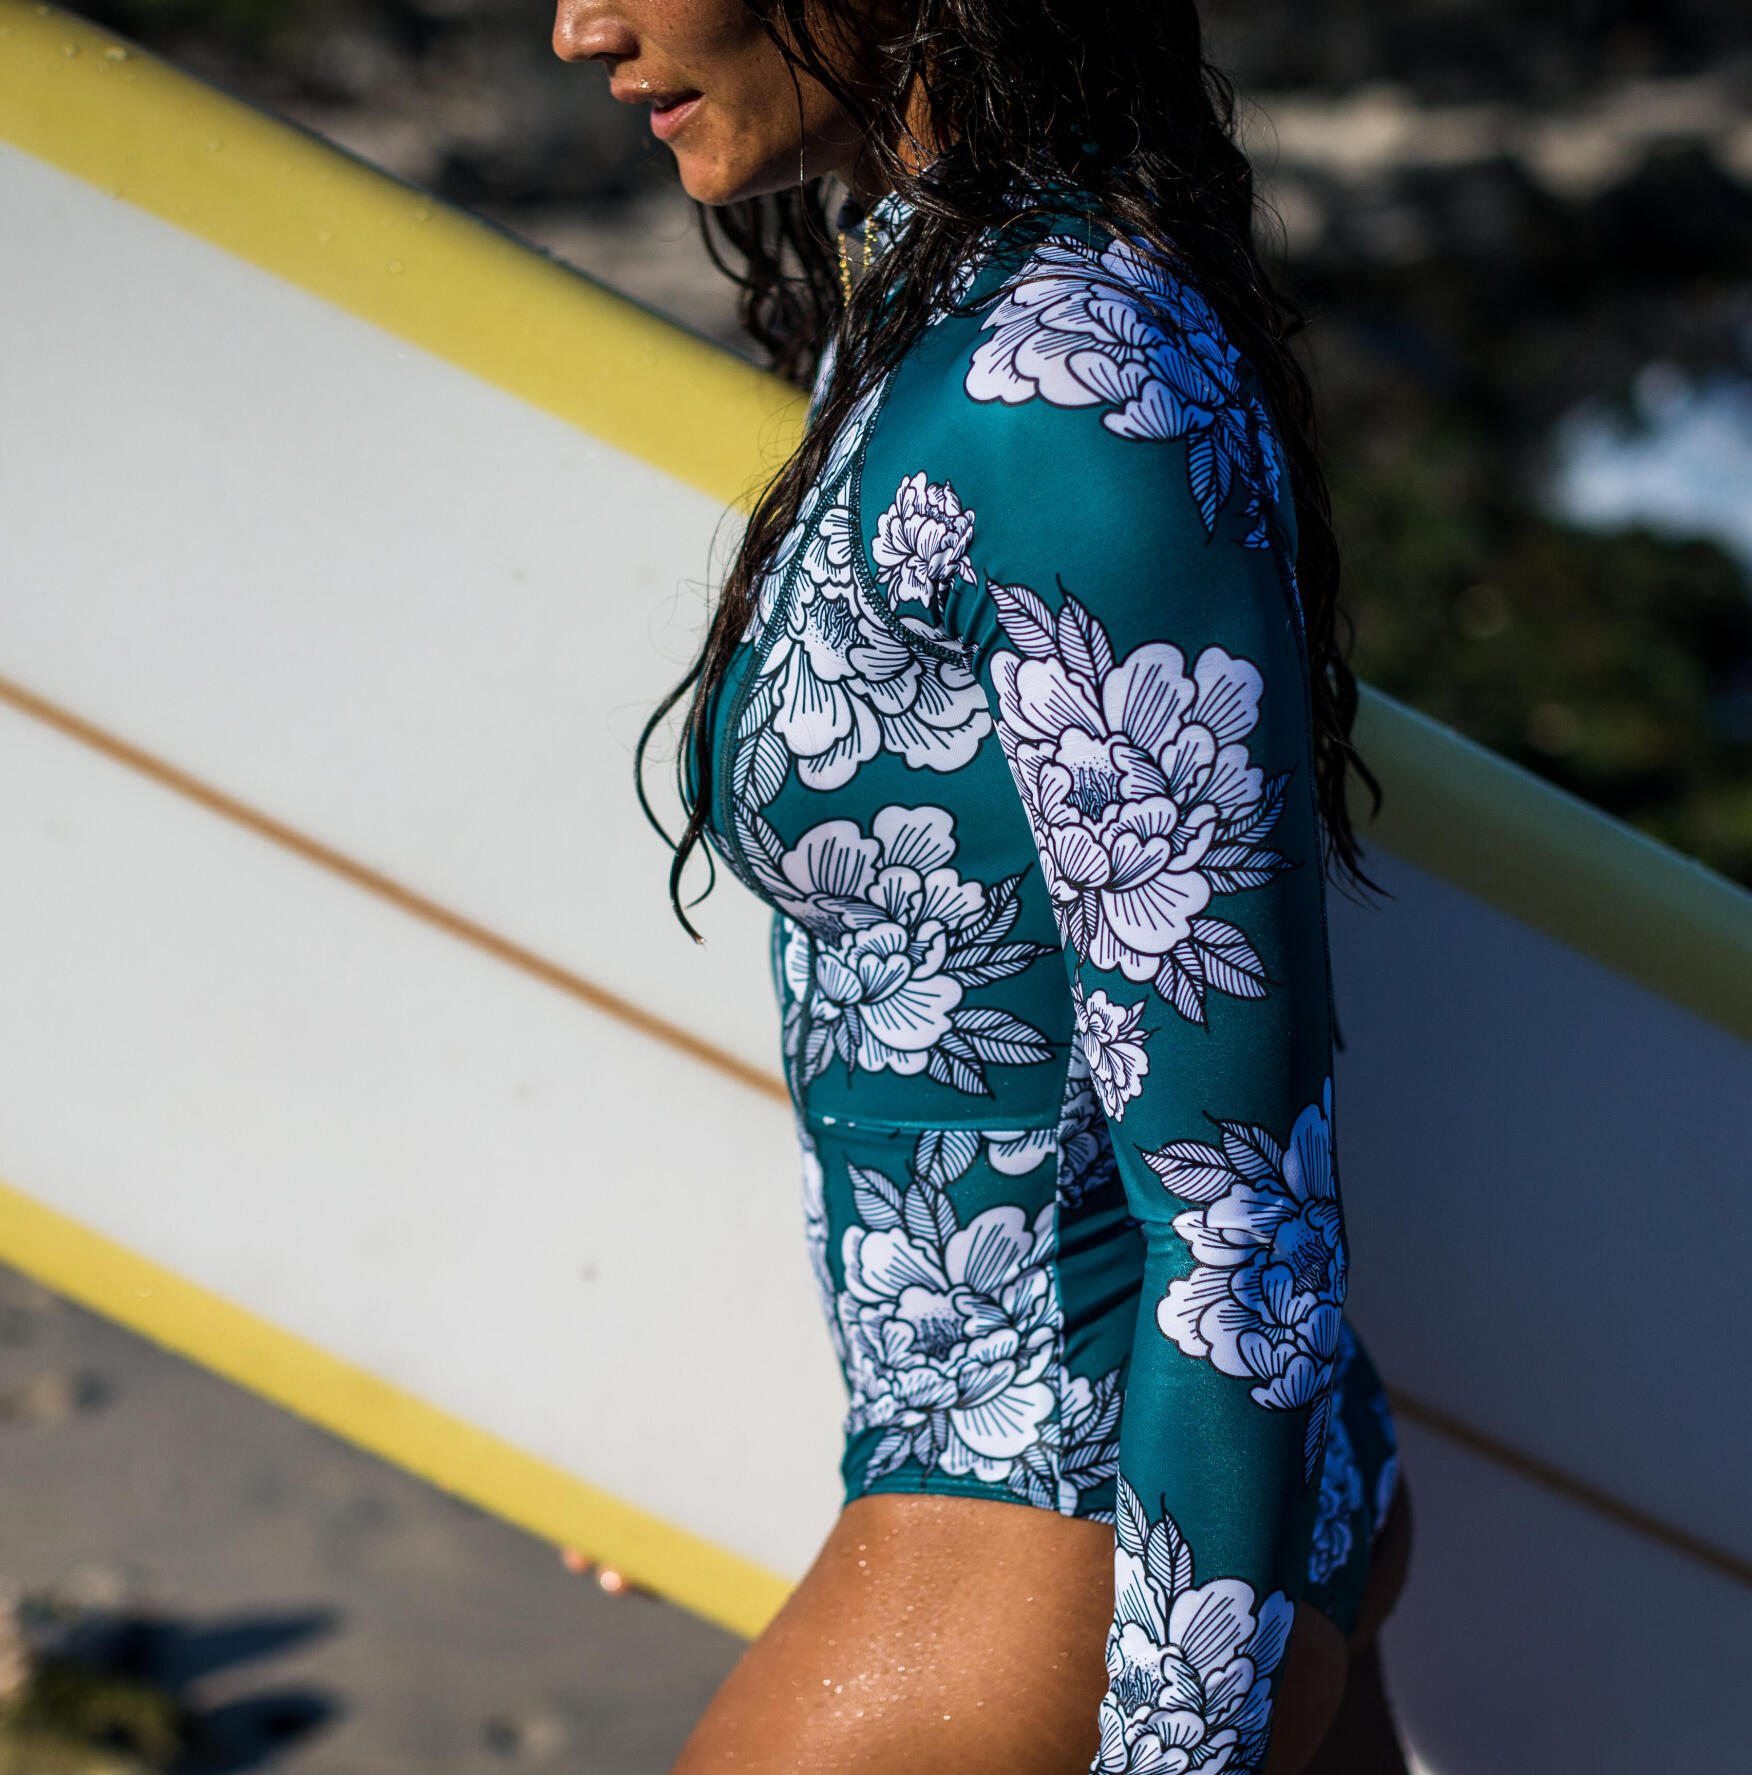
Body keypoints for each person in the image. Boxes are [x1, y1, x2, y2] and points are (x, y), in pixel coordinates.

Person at [553, 4, 1414, 1769]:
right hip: (1120, 1504)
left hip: (1085, 1545)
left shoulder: (1062, 386)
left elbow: (1243, 1220)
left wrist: (1175, 1744)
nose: (579, 23)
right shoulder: (941, 302)